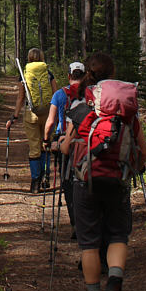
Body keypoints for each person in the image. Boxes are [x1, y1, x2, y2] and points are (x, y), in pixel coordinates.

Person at [60, 52, 146, 291]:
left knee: (89, 244)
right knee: (118, 236)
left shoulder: (81, 106)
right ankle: (115, 284)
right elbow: (142, 152)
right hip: (118, 182)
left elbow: (66, 147)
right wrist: (135, 168)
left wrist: (61, 143)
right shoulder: (127, 111)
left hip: (85, 183)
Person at [6, 48, 57, 193]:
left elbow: (21, 97)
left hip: (31, 115)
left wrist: (15, 116)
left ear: (29, 58)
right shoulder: (48, 73)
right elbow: (56, 93)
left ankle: (35, 181)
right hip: (47, 115)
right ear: (41, 57)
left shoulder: (25, 75)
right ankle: (46, 177)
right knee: (45, 145)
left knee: (34, 148)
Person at [43, 61, 85, 234]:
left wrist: (46, 139)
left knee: (68, 184)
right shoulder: (91, 94)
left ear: (69, 76)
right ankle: (87, 222)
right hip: (85, 143)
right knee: (83, 181)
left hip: (63, 142)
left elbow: (51, 121)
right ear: (84, 76)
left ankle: (75, 224)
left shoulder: (60, 94)